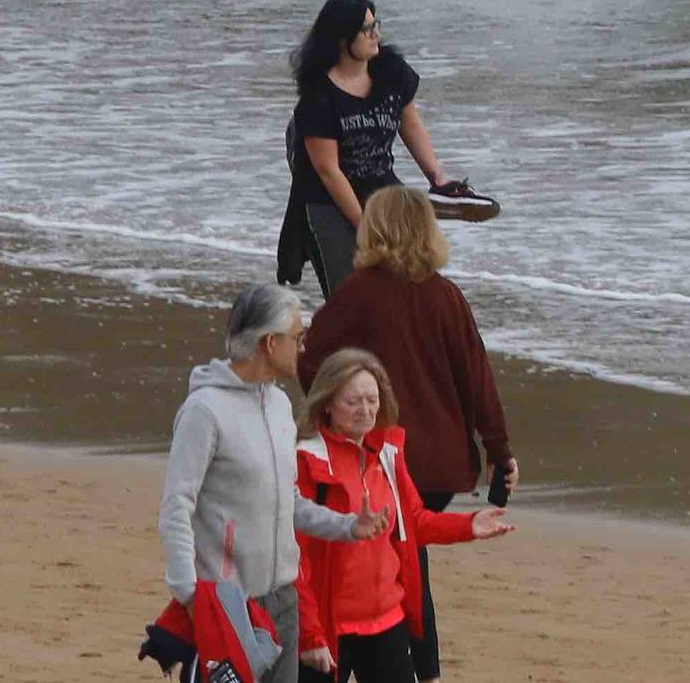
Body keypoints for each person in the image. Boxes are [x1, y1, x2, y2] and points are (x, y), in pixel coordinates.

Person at [299, 185, 517, 683]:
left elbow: (311, 361)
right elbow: (477, 378)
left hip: (380, 457)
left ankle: (407, 664)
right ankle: (423, 669)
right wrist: (500, 452)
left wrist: (334, 418)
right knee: (405, 554)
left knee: (400, 557)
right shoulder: (445, 294)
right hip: (440, 465)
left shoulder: (357, 293)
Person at [159, 284, 391, 683]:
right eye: (297, 337)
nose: (303, 347)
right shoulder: (205, 411)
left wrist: (349, 526)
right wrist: (191, 595)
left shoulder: (281, 406)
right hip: (227, 604)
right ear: (269, 343)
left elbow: (289, 501)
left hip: (284, 600)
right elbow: (176, 507)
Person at [294, 348, 515, 683]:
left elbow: (414, 523)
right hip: (327, 627)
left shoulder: (387, 453)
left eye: (372, 399)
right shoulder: (306, 461)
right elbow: (293, 559)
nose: (365, 410)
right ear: (327, 403)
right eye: (353, 401)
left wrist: (469, 524)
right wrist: (310, 635)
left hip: (386, 620)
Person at [276, 0, 490, 298]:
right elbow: (328, 172)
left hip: (382, 187)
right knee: (352, 296)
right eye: (367, 29)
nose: (376, 34)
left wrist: (438, 179)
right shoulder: (319, 97)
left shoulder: (390, 71)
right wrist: (365, 226)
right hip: (329, 201)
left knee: (413, 280)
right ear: (341, 40)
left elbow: (410, 123)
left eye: (376, 24)